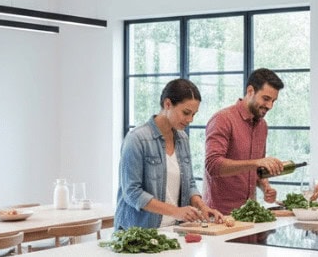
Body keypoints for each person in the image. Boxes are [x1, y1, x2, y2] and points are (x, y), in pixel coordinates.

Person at [115, 78, 223, 230]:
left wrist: (202, 207)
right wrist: (176, 212)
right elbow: (132, 193)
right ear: (167, 104)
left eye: (194, 114)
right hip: (139, 232)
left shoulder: (183, 139)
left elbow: (189, 183)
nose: (190, 120)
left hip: (173, 230)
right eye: (186, 113)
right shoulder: (137, 139)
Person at [202, 68, 286, 214]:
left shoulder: (262, 126)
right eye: (266, 99)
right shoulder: (223, 119)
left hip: (248, 214)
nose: (270, 106)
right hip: (219, 215)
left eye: (273, 101)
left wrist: (265, 187)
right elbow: (213, 165)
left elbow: (257, 170)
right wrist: (256, 163)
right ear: (250, 91)